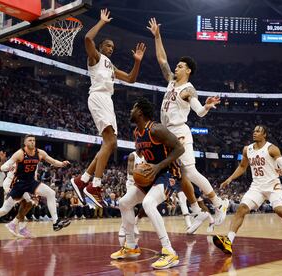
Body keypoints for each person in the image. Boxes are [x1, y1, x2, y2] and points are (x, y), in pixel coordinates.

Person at [147, 18, 229, 229]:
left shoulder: (189, 89)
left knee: (190, 173)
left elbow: (199, 112)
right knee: (180, 176)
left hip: (180, 132)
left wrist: (208, 106)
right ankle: (198, 212)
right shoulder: (172, 82)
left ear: (188, 71)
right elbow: (161, 59)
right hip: (166, 133)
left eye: (180, 66)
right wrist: (157, 36)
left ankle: (219, 204)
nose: (176, 66)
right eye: (177, 65)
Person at [71, 8, 146, 208]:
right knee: (110, 141)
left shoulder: (111, 67)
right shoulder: (95, 58)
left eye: (113, 46)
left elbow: (131, 78)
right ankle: (94, 185)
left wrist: (137, 62)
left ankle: (82, 180)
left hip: (107, 100)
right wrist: (102, 22)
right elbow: (87, 38)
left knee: (111, 143)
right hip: (97, 97)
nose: (111, 48)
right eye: (108, 45)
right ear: (101, 47)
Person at [213, 125, 282, 254]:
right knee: (242, 208)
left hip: (273, 186)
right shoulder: (247, 149)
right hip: (257, 187)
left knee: (280, 210)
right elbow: (242, 167)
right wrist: (230, 179)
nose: (254, 133)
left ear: (264, 134)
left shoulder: (272, 149)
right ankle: (229, 241)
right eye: (254, 131)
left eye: (258, 131)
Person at [110, 98, 184, 270]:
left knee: (148, 203)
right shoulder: (137, 132)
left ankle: (169, 251)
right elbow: (145, 152)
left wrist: (158, 165)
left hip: (168, 174)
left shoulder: (156, 129)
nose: (130, 111)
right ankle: (130, 246)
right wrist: (142, 167)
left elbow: (180, 148)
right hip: (151, 175)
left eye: (133, 108)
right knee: (124, 203)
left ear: (140, 112)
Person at [0, 135, 71, 240]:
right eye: (30, 140)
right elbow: (5, 166)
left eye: (34, 140)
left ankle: (55, 222)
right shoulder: (20, 153)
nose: (32, 142)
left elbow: (53, 161)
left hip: (31, 182)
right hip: (18, 185)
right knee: (4, 210)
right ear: (25, 143)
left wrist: (62, 164)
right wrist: (5, 165)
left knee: (50, 193)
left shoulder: (40, 153)